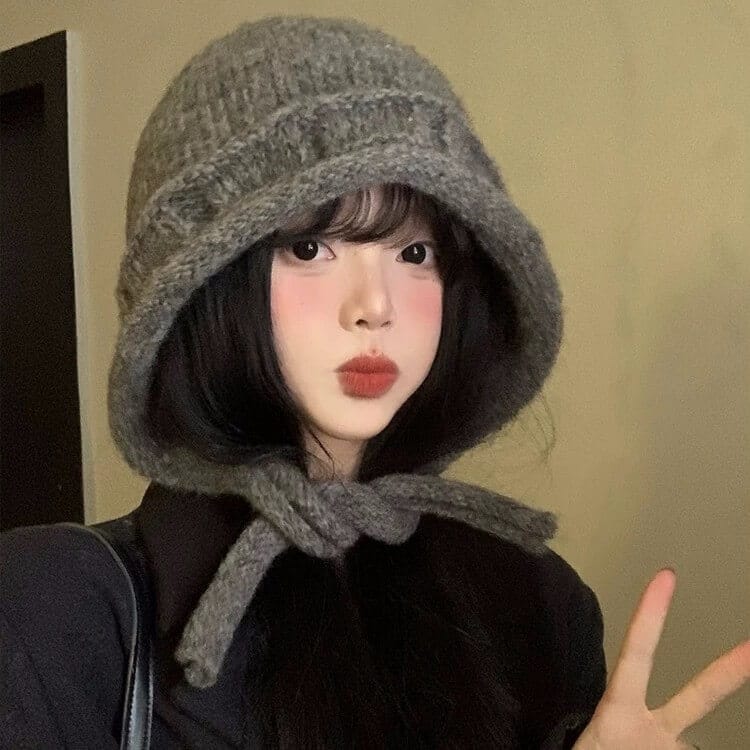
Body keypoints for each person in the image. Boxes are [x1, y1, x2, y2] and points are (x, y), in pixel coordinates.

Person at [1, 14, 746, 750]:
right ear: (200, 282)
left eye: (415, 253)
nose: (375, 306)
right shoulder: (50, 615)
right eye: (310, 246)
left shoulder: (539, 605)